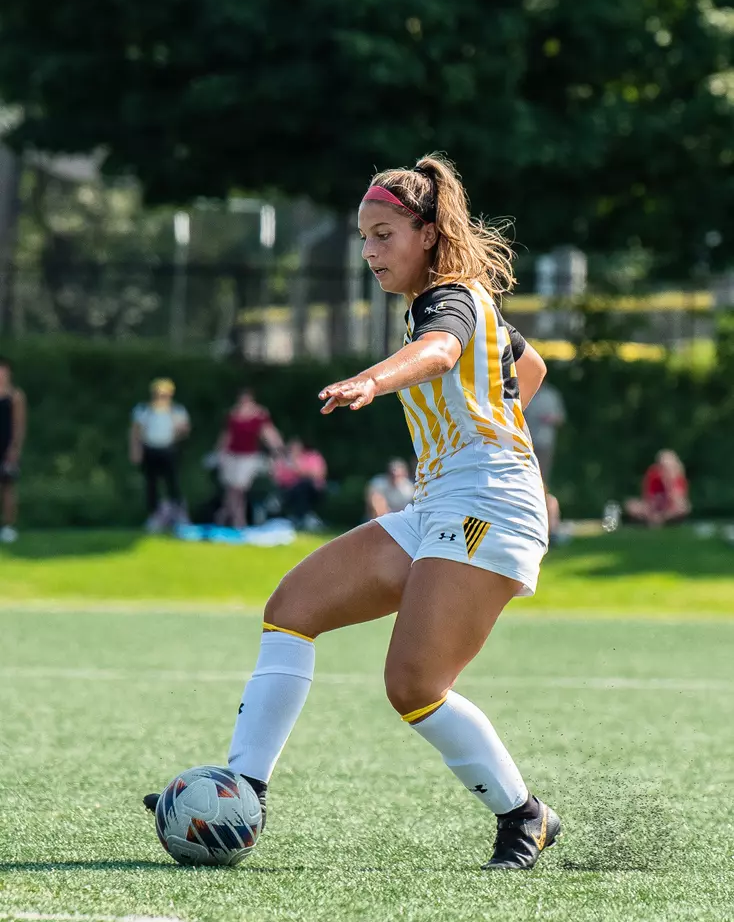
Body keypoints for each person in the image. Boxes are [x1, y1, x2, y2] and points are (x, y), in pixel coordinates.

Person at [145, 153, 559, 870]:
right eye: (363, 237)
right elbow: (529, 368)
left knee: (413, 687)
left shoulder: (446, 302)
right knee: (292, 606)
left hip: (489, 503)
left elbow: (438, 351)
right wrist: (492, 412)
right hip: (443, 500)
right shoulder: (450, 299)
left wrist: (374, 380)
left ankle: (525, 817)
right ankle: (244, 786)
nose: (369, 251)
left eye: (383, 234)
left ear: (428, 233)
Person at [217, 390, 283, 529]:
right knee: (231, 489)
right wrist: (220, 452)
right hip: (232, 455)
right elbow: (227, 435)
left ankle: (235, 519)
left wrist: (278, 447)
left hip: (248, 456)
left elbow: (268, 432)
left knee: (239, 488)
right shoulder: (233, 415)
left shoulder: (259, 415)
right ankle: (231, 517)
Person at [130, 379, 190, 530]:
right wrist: (135, 450)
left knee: (173, 483)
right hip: (150, 449)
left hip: (169, 449)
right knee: (151, 484)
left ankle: (179, 515)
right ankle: (154, 516)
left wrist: (178, 426)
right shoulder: (144, 410)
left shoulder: (177, 410)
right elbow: (136, 432)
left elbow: (184, 431)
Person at [625, 450, 690, 527]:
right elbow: (648, 498)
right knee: (631, 505)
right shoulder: (653, 475)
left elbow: (678, 501)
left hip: (669, 511)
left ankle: (660, 521)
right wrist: (654, 512)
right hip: (655, 508)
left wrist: (668, 484)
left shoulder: (678, 478)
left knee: (683, 507)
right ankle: (654, 521)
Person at [0, 357, 27, 543]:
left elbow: (19, 425)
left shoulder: (15, 396)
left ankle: (9, 526)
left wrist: (15, 449)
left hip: (7, 447)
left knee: (8, 487)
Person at [273, 439, 327, 529]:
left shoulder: (312, 457)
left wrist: (296, 467)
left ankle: (301, 517)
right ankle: (303, 517)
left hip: (312, 491)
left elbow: (317, 475)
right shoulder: (283, 461)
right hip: (290, 492)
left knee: (303, 485)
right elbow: (279, 480)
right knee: (297, 489)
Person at [524, 380, 566, 485]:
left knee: (542, 476)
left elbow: (561, 418)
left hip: (545, 443)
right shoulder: (526, 392)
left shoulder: (551, 395)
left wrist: (550, 419)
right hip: (526, 442)